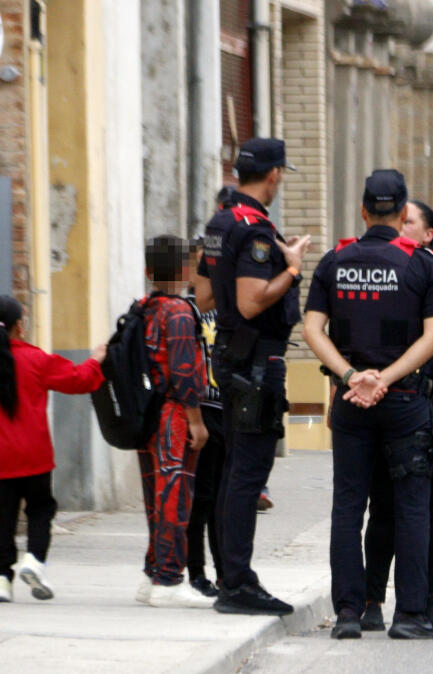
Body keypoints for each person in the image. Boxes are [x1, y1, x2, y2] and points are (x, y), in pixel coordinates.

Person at [303, 169, 433, 640]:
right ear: (404, 212)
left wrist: (351, 377)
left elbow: (312, 329)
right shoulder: (423, 264)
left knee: (348, 506)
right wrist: (385, 379)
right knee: (411, 505)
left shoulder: (334, 260)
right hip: (406, 401)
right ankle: (409, 615)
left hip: (350, 404)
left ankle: (349, 614)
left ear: (364, 210)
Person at [194, 138, 311, 615]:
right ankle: (238, 582)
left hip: (228, 357)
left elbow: (202, 296)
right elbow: (250, 300)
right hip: (257, 365)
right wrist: (294, 268)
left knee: (232, 473)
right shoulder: (257, 231)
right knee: (247, 474)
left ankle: (231, 575)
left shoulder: (220, 222)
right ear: (274, 175)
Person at [0, 295, 105, 603]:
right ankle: (34, 561)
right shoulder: (37, 359)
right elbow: (79, 380)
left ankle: (1, 579)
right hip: (34, 455)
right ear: (20, 326)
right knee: (40, 509)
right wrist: (95, 360)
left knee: (1, 519)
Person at [360, 200, 433, 633]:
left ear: (427, 234)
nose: (401, 225)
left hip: (423, 403)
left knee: (423, 511)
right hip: (378, 402)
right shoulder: (378, 271)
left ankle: (423, 603)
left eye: (410, 222)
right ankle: (372, 600)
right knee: (382, 509)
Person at [135, 235, 212, 608]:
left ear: (149, 271)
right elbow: (184, 372)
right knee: (174, 494)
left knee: (155, 494)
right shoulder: (179, 312)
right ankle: (168, 579)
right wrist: (196, 421)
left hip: (145, 413)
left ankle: (152, 573)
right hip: (172, 415)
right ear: (186, 270)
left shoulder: (143, 307)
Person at [185, 190, 234, 598]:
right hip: (197, 412)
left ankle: (225, 572)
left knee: (222, 499)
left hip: (227, 412)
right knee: (199, 499)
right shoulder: (186, 311)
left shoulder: (229, 308)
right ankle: (195, 571)